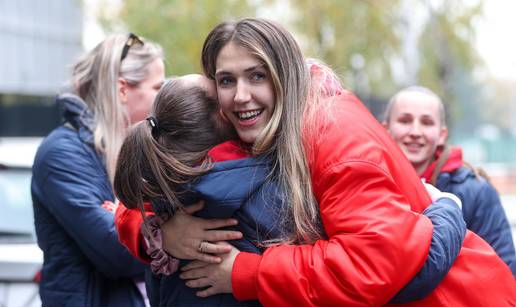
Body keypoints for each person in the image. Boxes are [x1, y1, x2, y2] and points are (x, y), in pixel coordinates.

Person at [173, 18, 515, 306]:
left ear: (285, 76)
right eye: (226, 80)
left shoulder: (335, 134)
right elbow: (150, 162)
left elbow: (371, 264)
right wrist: (160, 232)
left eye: (257, 76)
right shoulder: (248, 123)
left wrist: (247, 273)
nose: (241, 95)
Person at [114, 74, 469, 306]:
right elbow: (392, 277)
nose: (240, 94)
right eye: (224, 83)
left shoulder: (160, 187)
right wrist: (447, 210)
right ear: (226, 117)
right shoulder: (270, 193)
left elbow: (127, 207)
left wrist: (155, 234)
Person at [31, 33, 165, 306]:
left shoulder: (135, 147)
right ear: (122, 89)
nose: (163, 99)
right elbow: (119, 250)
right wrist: (174, 234)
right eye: (157, 88)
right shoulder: (63, 153)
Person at [382, 85, 516, 276]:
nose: (415, 131)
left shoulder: (477, 191)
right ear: (385, 129)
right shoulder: (369, 184)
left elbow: (504, 271)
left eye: (427, 123)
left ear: (441, 135)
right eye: (405, 120)